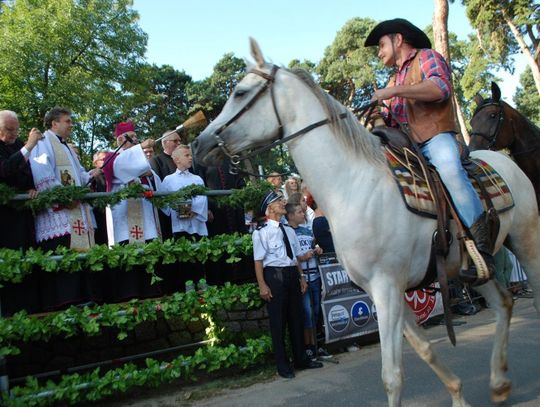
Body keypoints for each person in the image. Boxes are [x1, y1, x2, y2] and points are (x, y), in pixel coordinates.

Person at [365, 18, 494, 285]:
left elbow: (440, 88)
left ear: (398, 39)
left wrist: (392, 91)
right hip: (406, 147)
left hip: (435, 138)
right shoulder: (394, 77)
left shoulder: (427, 57)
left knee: (450, 170)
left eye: (381, 45)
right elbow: (393, 121)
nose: (379, 52)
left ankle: (483, 244)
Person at [29, 107, 99, 310]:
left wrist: (90, 176)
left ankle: (82, 299)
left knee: (79, 258)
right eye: (67, 121)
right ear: (54, 123)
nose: (71, 125)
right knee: (63, 260)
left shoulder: (66, 147)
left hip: (76, 212)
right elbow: (43, 175)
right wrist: (64, 196)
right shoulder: (42, 144)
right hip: (58, 214)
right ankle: (64, 303)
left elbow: (78, 176)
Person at [253, 190, 323, 379]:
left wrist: (301, 277)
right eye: (278, 201)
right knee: (278, 322)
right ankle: (282, 365)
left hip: (292, 274)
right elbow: (258, 261)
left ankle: (301, 359)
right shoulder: (261, 232)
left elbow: (295, 258)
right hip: (274, 276)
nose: (283, 203)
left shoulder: (289, 230)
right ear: (269, 208)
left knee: (296, 318)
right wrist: (262, 285)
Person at [103, 121, 161, 301]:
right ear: (120, 138)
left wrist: (150, 175)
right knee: (128, 255)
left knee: (148, 252)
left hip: (144, 217)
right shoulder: (111, 157)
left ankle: (152, 291)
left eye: (137, 137)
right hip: (124, 218)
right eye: (132, 137)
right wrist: (141, 148)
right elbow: (121, 167)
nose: (136, 140)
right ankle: (129, 293)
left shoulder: (140, 161)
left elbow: (155, 183)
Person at [0, 110, 42, 315]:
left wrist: (29, 188)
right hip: (3, 218)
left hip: (22, 216)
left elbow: (26, 173)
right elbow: (5, 170)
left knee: (27, 257)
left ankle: (29, 308)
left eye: (16, 130)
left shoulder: (16, 145)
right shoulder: (21, 147)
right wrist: (29, 146)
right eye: (9, 130)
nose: (14, 134)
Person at [161, 145, 208, 292]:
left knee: (199, 254)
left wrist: (193, 211)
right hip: (180, 225)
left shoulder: (197, 178)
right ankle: (188, 284)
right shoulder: (169, 180)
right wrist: (182, 210)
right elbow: (164, 201)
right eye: (186, 155)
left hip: (197, 223)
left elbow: (202, 198)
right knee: (184, 255)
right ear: (176, 160)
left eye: (190, 155)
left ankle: (202, 281)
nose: (190, 158)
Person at [285, 203, 323, 361]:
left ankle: (316, 345)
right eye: (300, 212)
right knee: (306, 312)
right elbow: (292, 255)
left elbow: (314, 244)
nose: (303, 214)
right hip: (303, 277)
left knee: (315, 311)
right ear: (291, 216)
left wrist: (317, 249)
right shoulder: (287, 231)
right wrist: (302, 257)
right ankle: (308, 347)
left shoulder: (307, 230)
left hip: (315, 275)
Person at [150, 130, 182, 242]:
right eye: (175, 141)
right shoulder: (156, 161)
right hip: (167, 211)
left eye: (180, 141)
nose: (179, 143)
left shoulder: (182, 160)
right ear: (165, 143)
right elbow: (158, 187)